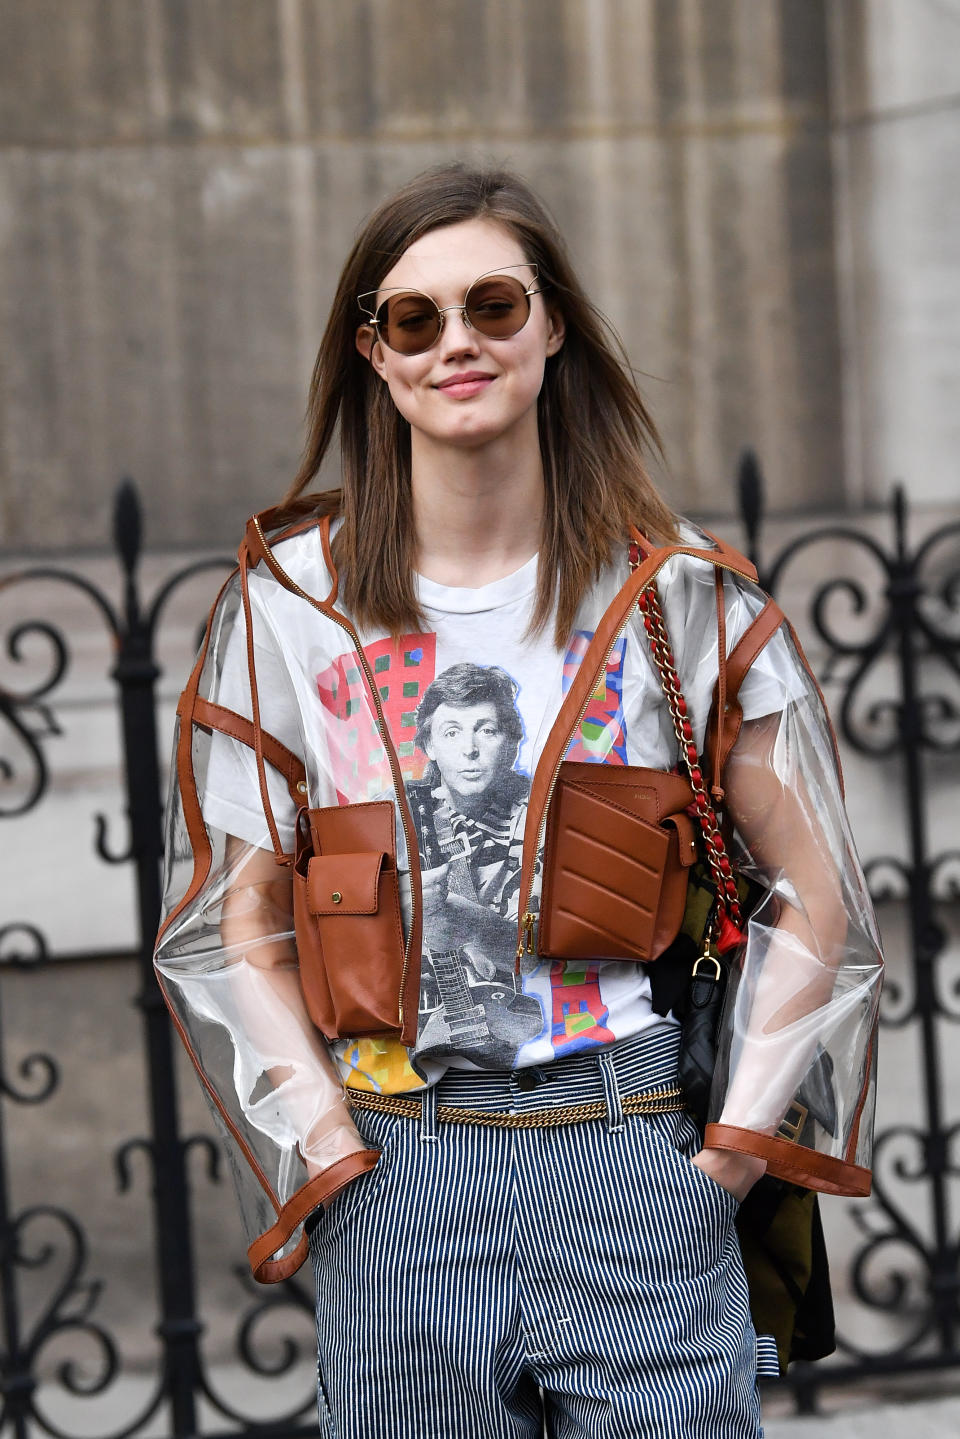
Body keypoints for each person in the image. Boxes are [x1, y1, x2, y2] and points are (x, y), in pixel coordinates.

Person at [155, 163, 883, 1438]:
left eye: (494, 304)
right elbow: (233, 920)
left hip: (632, 1147)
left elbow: (817, 896)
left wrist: (726, 1157)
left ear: (552, 323)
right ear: (373, 354)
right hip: (399, 1168)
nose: (459, 344)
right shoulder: (292, 608)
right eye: (415, 318)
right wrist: (330, 1158)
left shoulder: (677, 595)